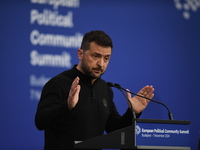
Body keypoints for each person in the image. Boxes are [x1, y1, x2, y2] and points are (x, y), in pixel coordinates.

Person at [35, 30, 154, 150]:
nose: (101, 64)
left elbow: (115, 129)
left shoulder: (105, 89)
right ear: (80, 54)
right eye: (96, 56)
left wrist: (133, 113)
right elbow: (40, 122)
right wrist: (67, 106)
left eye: (106, 58)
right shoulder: (58, 83)